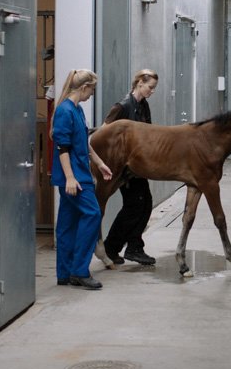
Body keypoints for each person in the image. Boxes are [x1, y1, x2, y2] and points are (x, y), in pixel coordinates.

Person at [51, 69, 113, 290]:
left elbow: (83, 143)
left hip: (79, 173)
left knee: (67, 223)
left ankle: (65, 273)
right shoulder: (64, 111)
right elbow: (62, 147)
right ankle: (79, 270)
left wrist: (99, 163)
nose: (92, 94)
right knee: (93, 214)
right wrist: (69, 177)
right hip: (74, 177)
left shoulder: (77, 110)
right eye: (92, 90)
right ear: (84, 87)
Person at [101, 68, 159, 265]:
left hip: (139, 166)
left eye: (154, 88)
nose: (152, 91)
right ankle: (117, 246)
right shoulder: (123, 107)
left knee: (145, 204)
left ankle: (127, 247)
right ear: (139, 83)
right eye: (150, 87)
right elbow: (103, 132)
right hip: (125, 168)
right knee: (135, 205)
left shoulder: (144, 106)